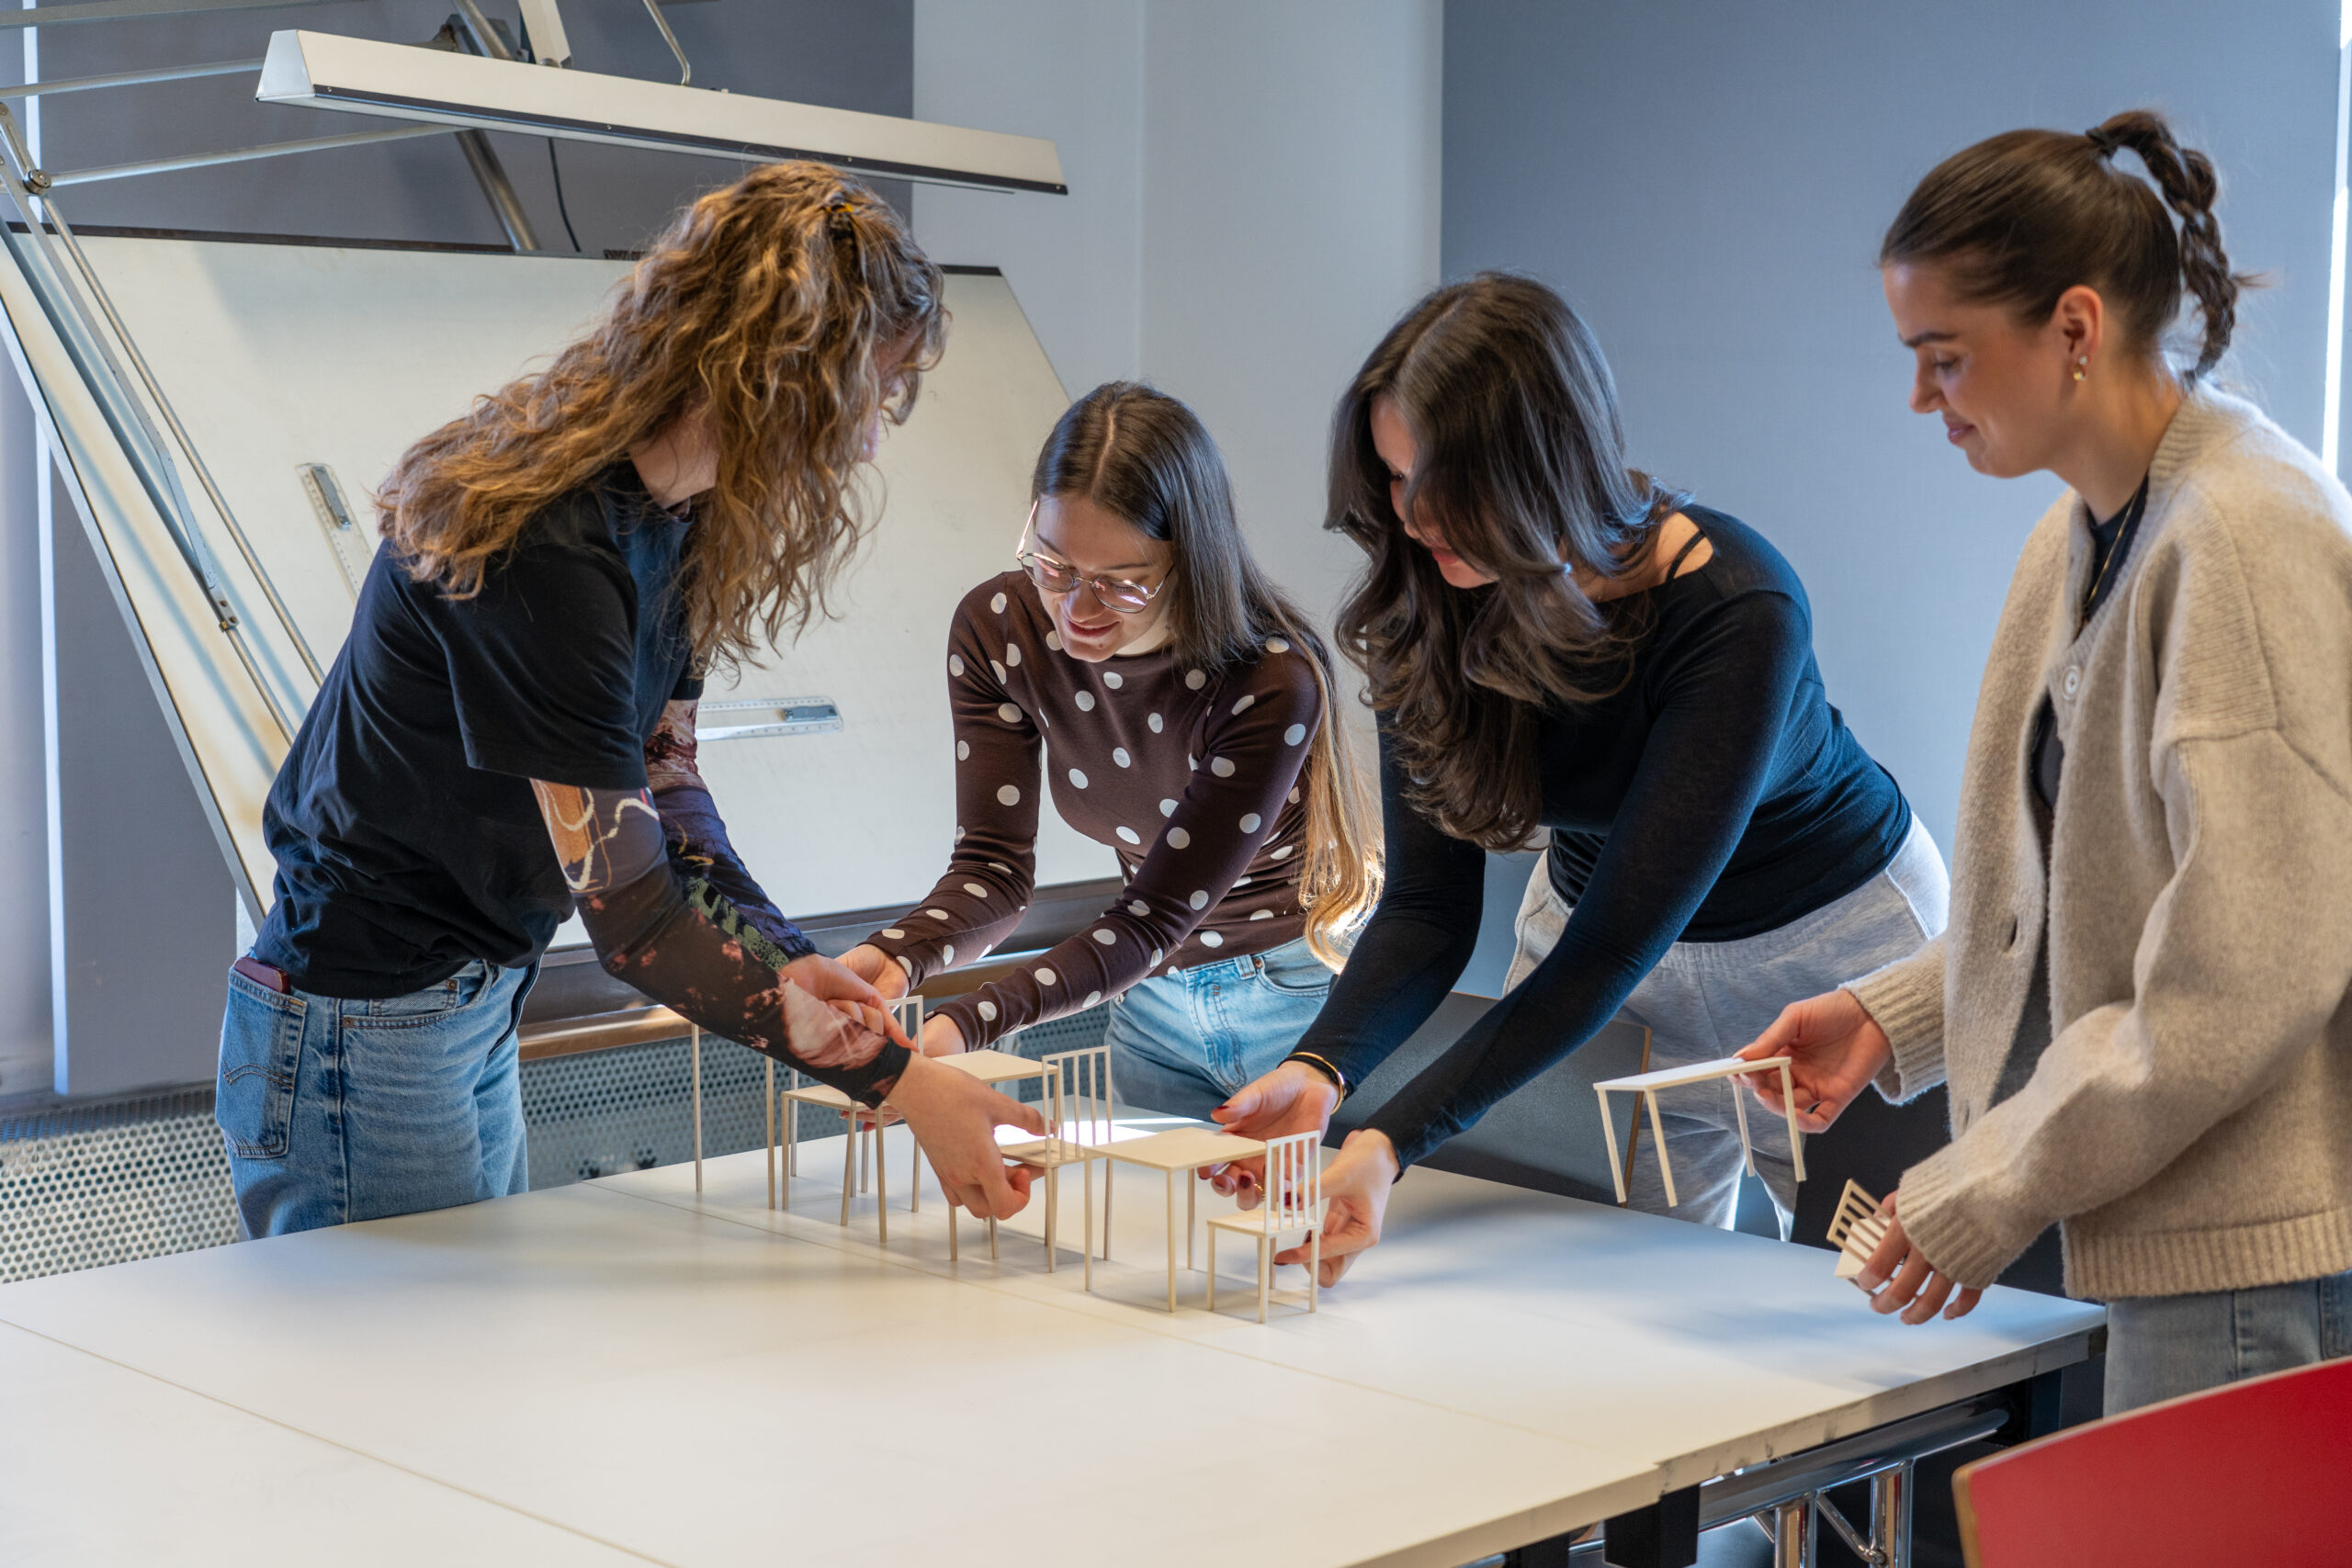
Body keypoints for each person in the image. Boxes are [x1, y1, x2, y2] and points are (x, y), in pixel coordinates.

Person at [215, 163, 1044, 1238]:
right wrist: (900, 1081)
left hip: (460, 998)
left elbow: (667, 781)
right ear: (772, 370)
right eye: (862, 394)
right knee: (401, 1378)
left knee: (453, 1354)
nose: (870, 439)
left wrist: (794, 958)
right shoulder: (549, 542)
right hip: (360, 1021)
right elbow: (635, 917)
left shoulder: (677, 517)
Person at [1736, 110, 2352, 1414]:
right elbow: (2077, 896)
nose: (1920, 399)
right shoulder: (2080, 532)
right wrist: (1896, 1010)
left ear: (2073, 329)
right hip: (2174, 1214)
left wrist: (1985, 1181)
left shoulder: (2245, 535)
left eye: (1945, 358)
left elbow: (2241, 978)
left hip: (2254, 1251)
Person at [1218, 273, 1947, 1279]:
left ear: (1547, 465)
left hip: (1832, 950)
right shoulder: (1422, 597)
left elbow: (1608, 952)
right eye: (1393, 476)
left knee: (1866, 1289)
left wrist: (1386, 1144)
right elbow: (1429, 909)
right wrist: (1323, 1068)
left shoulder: (1735, 606)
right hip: (1601, 943)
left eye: (1445, 479)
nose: (1414, 513)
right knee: (1602, 1276)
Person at [836, 383, 1379, 1115]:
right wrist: (895, 958)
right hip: (1150, 1000)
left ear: (1190, 561)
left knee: (1308, 1225)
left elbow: (1153, 914)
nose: (1076, 610)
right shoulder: (999, 630)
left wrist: (962, 1025)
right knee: (1155, 1226)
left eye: (1121, 585)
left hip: (1299, 995)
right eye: (1053, 566)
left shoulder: (1270, 681)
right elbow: (992, 870)